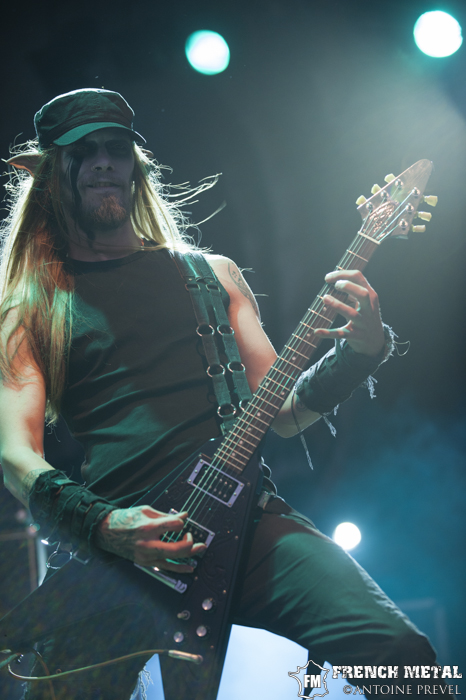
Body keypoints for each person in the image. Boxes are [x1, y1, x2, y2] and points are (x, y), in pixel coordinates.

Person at [0, 89, 443, 700]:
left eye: (116, 148)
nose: (103, 161)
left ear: (135, 166)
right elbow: (16, 455)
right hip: (118, 553)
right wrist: (106, 525)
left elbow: (282, 412)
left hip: (244, 520)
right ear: (52, 174)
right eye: (84, 151)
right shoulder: (30, 307)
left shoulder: (212, 274)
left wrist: (361, 350)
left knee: (403, 658)